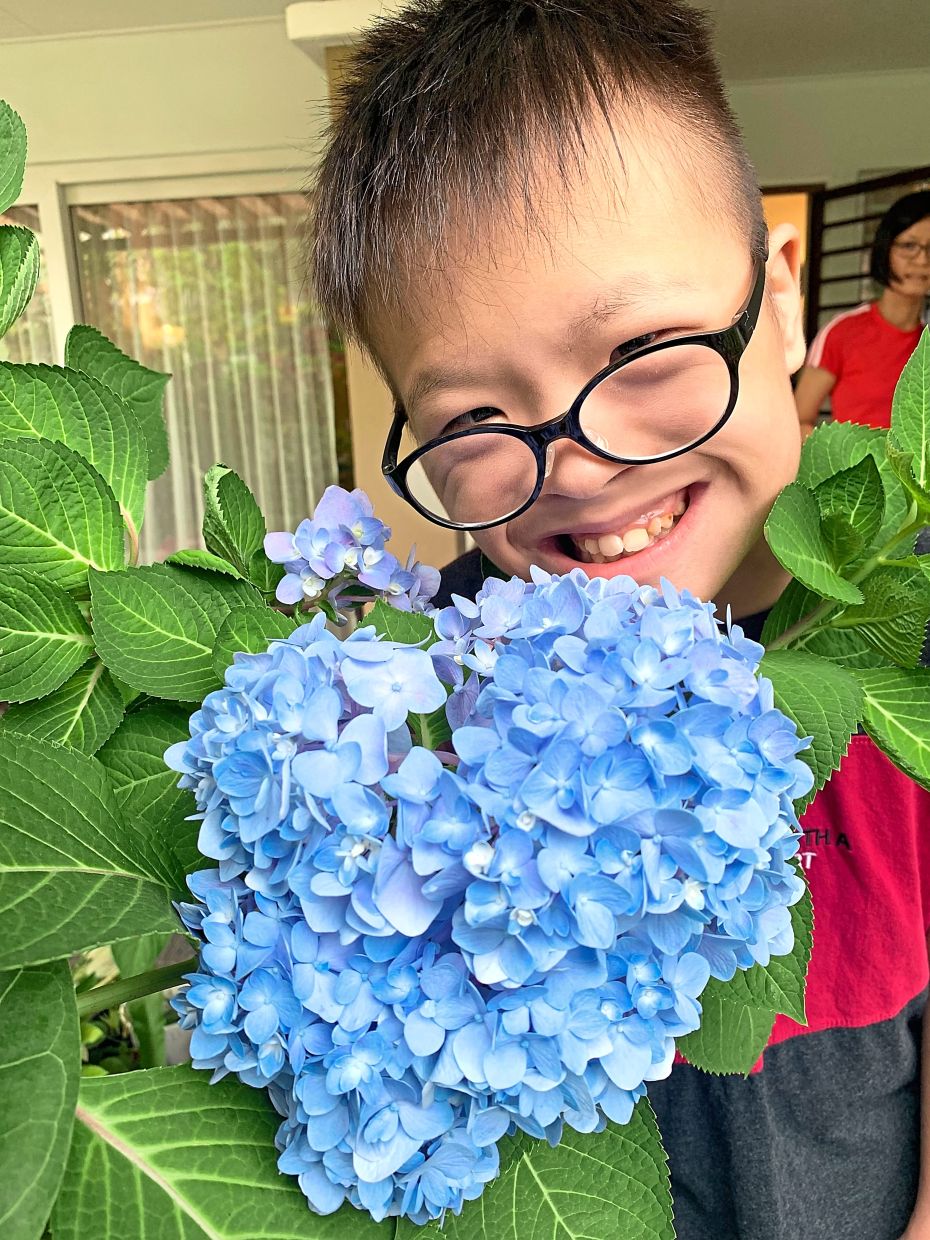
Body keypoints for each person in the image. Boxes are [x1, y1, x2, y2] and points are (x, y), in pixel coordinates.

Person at [307, 3, 930, 1236]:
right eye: (471, 419)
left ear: (780, 301)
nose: (581, 465)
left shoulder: (907, 656)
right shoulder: (412, 710)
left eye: (645, 350)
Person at [794, 190, 930, 434]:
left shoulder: (926, 338)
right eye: (909, 246)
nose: (922, 260)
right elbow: (799, 419)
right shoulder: (842, 332)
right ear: (885, 249)